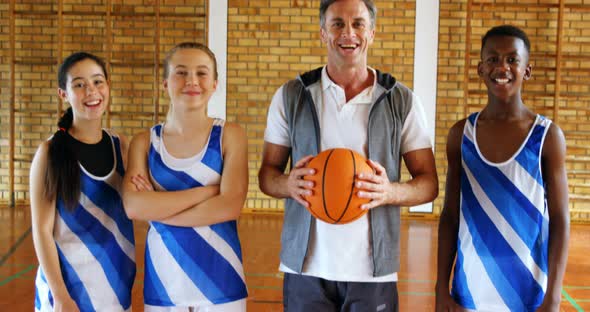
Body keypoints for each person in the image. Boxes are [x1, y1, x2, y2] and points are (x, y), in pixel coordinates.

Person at [258, 0, 439, 310]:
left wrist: (390, 191)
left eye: (358, 24)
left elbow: (428, 184)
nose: (348, 33)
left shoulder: (400, 99)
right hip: (306, 268)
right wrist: (287, 184)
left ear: (371, 33)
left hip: (372, 272)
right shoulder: (292, 95)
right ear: (322, 33)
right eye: (337, 24)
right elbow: (267, 176)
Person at [435, 25, 570, 312]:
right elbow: (449, 215)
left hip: (529, 295)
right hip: (469, 291)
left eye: (512, 59)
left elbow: (560, 220)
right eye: (493, 59)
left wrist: (554, 297)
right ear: (480, 69)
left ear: (527, 70)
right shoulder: (461, 135)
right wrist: (440, 288)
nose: (502, 67)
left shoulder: (547, 137)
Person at [122, 42, 248, 311]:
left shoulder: (230, 135)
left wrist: (157, 208)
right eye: (181, 72)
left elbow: (230, 205)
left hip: (222, 282)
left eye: (202, 73)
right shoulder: (144, 142)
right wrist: (208, 192)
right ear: (165, 83)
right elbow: (134, 206)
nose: (192, 80)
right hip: (164, 284)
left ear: (215, 84)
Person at [30, 52, 136, 312]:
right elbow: (42, 231)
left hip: (115, 286)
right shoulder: (50, 152)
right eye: (79, 84)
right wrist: (61, 297)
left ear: (108, 86)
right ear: (63, 93)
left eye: (98, 82)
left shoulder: (121, 146)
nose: (91, 91)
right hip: (68, 291)